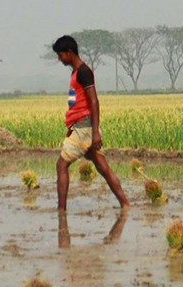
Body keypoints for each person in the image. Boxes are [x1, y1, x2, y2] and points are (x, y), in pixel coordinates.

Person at [52, 35, 130, 211]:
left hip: (85, 128)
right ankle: (125, 204)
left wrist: (95, 132)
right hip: (81, 127)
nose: (59, 59)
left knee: (61, 165)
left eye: (61, 55)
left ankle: (61, 211)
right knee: (103, 168)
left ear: (69, 52)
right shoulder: (75, 73)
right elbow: (77, 101)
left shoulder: (84, 72)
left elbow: (94, 101)